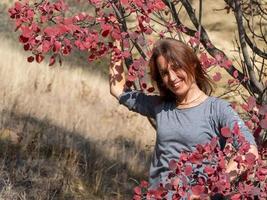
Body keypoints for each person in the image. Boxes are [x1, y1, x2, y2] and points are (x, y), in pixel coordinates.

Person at [109, 38, 259, 199]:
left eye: (176, 67)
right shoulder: (161, 107)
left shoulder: (217, 109)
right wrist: (115, 40)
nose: (172, 78)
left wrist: (210, 189)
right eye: (165, 73)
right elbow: (117, 89)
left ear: (192, 64)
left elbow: (250, 152)